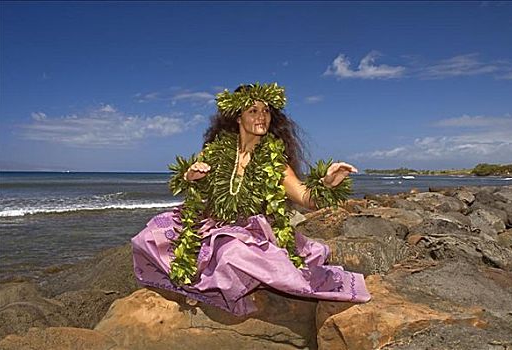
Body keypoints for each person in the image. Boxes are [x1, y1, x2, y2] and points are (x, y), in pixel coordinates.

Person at [131, 82, 371, 316]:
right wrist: (191, 176)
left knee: (232, 255)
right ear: (238, 117)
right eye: (253, 111)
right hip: (208, 226)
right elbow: (195, 189)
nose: (262, 116)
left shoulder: (274, 162)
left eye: (266, 111)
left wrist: (327, 182)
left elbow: (304, 197)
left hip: (250, 234)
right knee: (148, 238)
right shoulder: (214, 152)